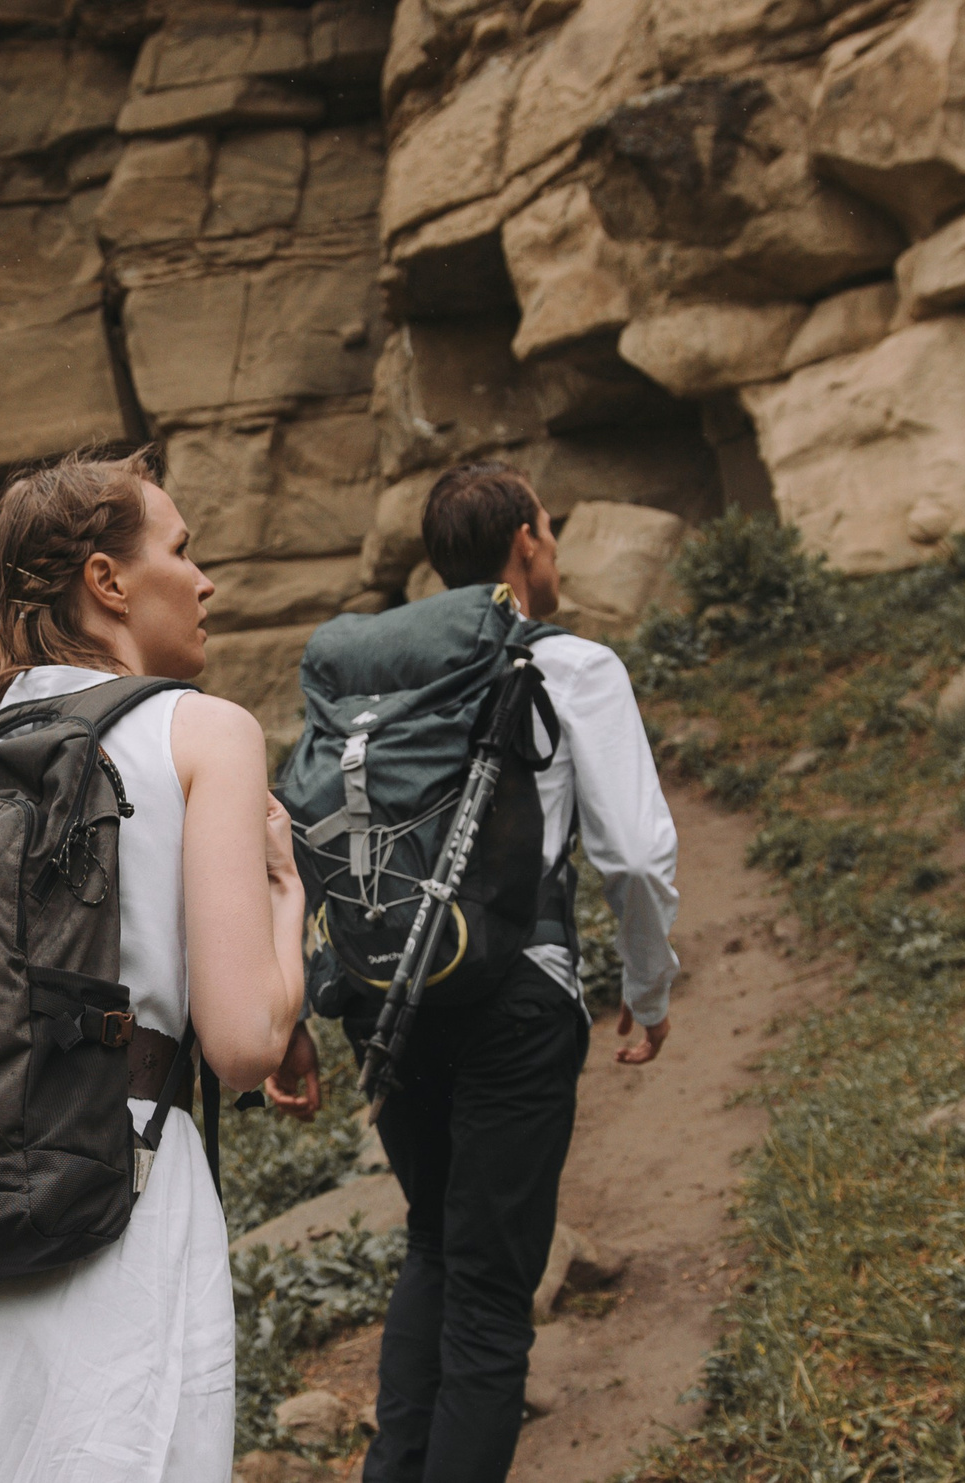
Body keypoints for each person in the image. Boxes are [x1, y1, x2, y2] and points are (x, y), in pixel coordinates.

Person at [0, 447, 322, 1483]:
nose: (204, 580)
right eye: (181, 551)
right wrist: (288, 905)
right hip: (101, 1208)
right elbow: (241, 1044)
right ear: (106, 581)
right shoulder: (202, 730)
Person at [357, 462, 681, 1483]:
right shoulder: (572, 666)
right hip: (516, 994)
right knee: (493, 1293)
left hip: (396, 996)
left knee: (433, 1247)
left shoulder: (390, 678)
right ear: (527, 544)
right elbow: (631, 853)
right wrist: (648, 982)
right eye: (548, 528)